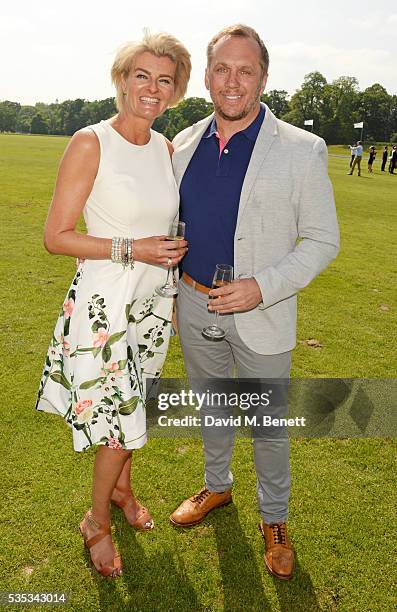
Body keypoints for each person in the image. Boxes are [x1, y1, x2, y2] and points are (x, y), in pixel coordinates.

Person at [169, 24, 339, 581]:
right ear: (208, 77)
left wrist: (261, 285)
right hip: (194, 307)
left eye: (246, 70)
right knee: (212, 408)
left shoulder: (302, 148)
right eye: (222, 68)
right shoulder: (185, 143)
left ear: (263, 77)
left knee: (267, 425)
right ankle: (217, 488)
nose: (233, 81)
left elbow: (322, 240)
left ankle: (275, 520)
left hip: (261, 312)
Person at [36, 32, 190, 577]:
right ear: (122, 81)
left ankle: (123, 490)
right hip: (105, 308)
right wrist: (135, 248)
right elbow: (57, 235)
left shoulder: (166, 148)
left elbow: (160, 224)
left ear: (175, 91)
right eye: (141, 76)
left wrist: (167, 262)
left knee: (136, 409)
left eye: (164, 80)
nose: (152, 88)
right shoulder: (90, 141)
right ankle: (96, 521)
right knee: (120, 422)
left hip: (150, 305)